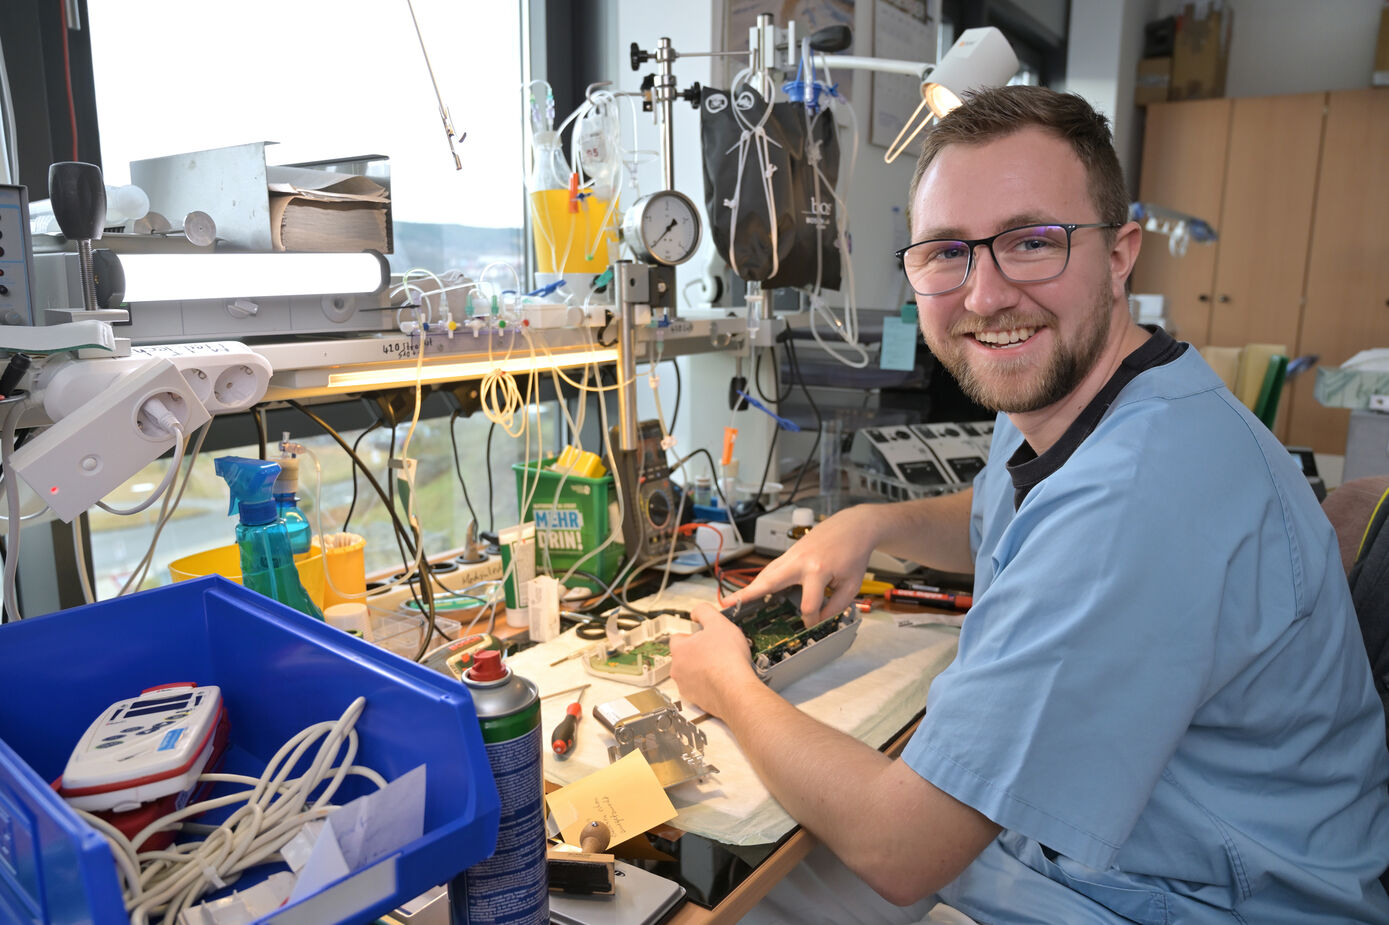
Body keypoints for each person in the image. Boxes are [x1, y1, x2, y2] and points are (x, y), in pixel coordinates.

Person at [668, 85, 1389, 923]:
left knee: (710, 905)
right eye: (945, 252)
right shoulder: (1098, 396)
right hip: (1102, 860)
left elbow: (902, 846)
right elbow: (1000, 512)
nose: (983, 296)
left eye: (1032, 241)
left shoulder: (1137, 499)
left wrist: (727, 682)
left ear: (1120, 254)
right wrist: (868, 524)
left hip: (1180, 900)